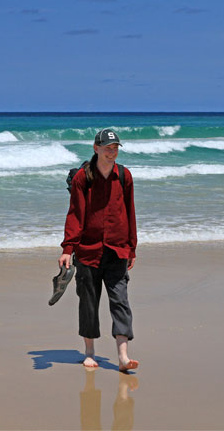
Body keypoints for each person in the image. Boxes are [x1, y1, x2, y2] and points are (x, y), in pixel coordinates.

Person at [59, 128, 138, 371]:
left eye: (115, 148)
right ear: (96, 148)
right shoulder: (83, 177)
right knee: (88, 303)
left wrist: (132, 248)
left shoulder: (124, 176)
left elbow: (130, 212)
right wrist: (67, 248)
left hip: (117, 250)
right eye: (107, 148)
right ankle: (90, 352)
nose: (111, 152)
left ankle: (123, 357)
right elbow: (75, 214)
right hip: (88, 251)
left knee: (120, 301)